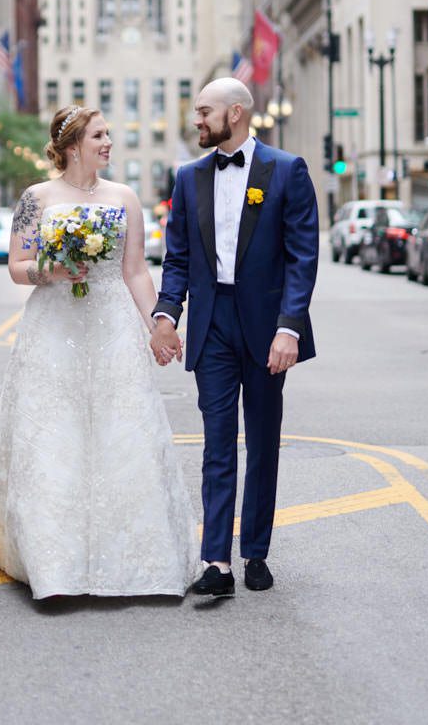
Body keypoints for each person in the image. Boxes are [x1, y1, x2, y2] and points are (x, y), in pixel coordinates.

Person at [0, 105, 201, 599]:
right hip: (53, 325)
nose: (108, 143)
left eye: (108, 135)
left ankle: (136, 558)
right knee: (54, 434)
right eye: (99, 135)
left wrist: (157, 325)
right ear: (73, 144)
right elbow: (17, 264)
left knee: (122, 431)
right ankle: (53, 562)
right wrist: (51, 272)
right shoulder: (36, 198)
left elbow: (136, 270)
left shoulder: (124, 197)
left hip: (112, 324)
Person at [150, 78, 319, 597]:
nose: (197, 120)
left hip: (268, 326)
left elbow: (302, 257)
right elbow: (176, 257)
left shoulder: (286, 171)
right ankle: (217, 561)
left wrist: (289, 327)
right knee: (217, 443)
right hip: (212, 325)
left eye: (204, 111)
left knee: (263, 441)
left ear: (237, 113)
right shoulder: (188, 177)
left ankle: (256, 553)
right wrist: (165, 315)